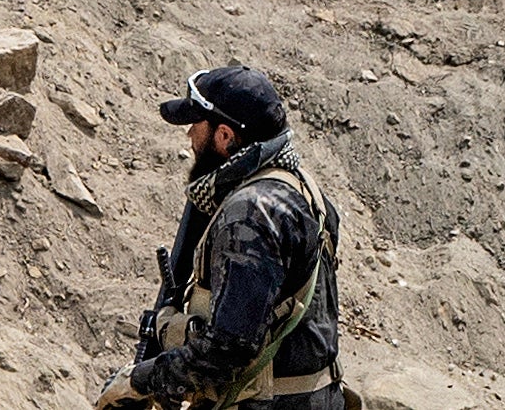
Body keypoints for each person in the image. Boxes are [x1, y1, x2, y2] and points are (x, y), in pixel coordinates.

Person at [104, 66, 344, 410]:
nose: (189, 134)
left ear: (225, 136)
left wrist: (140, 380)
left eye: (196, 124)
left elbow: (228, 350)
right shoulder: (303, 189)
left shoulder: (250, 215)